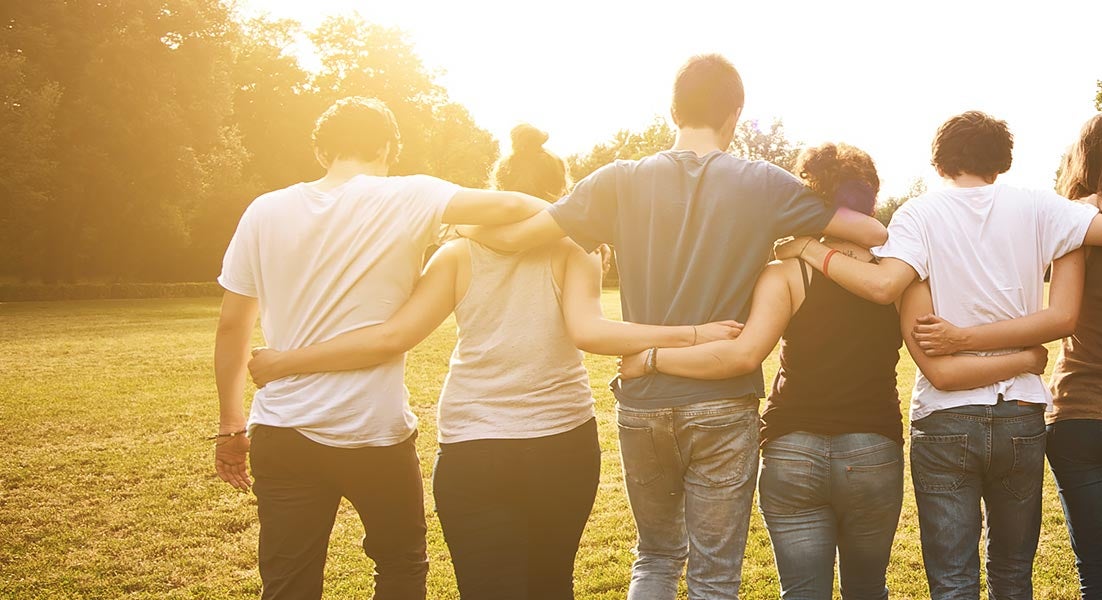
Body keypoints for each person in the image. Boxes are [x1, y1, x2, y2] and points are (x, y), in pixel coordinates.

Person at [239, 124, 740, 599]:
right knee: (550, 585)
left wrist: (288, 361)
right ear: (559, 191)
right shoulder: (576, 249)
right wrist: (692, 333)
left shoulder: (456, 254)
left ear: (498, 189)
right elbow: (590, 331)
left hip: (472, 450)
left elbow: (394, 335)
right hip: (562, 444)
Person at [458, 54, 888, 599]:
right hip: (722, 402)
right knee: (714, 575)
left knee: (655, 558)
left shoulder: (616, 180)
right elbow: (870, 232)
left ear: (672, 111)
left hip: (642, 398)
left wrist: (452, 212)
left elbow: (516, 237)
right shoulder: (763, 183)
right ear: (735, 114)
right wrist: (797, 241)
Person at [773, 110, 1102, 600]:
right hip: (1020, 411)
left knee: (953, 580)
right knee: (1012, 575)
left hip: (944, 416)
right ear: (1001, 161)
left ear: (939, 161)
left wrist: (808, 248)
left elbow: (889, 288)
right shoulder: (1040, 206)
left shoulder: (917, 215)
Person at [614, 142, 1028, 599]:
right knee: (867, 587)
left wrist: (651, 358)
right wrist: (1023, 357)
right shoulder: (898, 276)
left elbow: (745, 354)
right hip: (873, 448)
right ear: (871, 197)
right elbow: (934, 357)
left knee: (802, 592)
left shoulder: (787, 273)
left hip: (793, 449)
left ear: (810, 196)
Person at [211, 96, 556, 600]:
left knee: (287, 583)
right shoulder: (410, 195)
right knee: (399, 565)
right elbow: (516, 205)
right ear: (389, 146)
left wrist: (229, 425)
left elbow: (231, 325)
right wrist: (571, 228)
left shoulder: (264, 210)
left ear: (320, 150)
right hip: (372, 430)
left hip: (282, 429)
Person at [905, 111, 1102, 599]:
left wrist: (961, 338)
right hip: (1070, 412)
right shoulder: (1049, 209)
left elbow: (1064, 314)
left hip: (1007, 414)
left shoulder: (921, 214)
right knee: (1034, 571)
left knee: (965, 579)